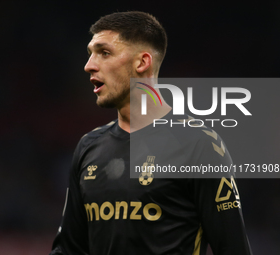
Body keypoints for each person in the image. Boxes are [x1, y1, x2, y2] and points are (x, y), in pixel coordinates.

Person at [49, 11, 252, 255]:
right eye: (90, 53)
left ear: (142, 62)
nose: (89, 65)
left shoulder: (199, 145)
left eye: (104, 53)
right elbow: (68, 250)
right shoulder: (88, 147)